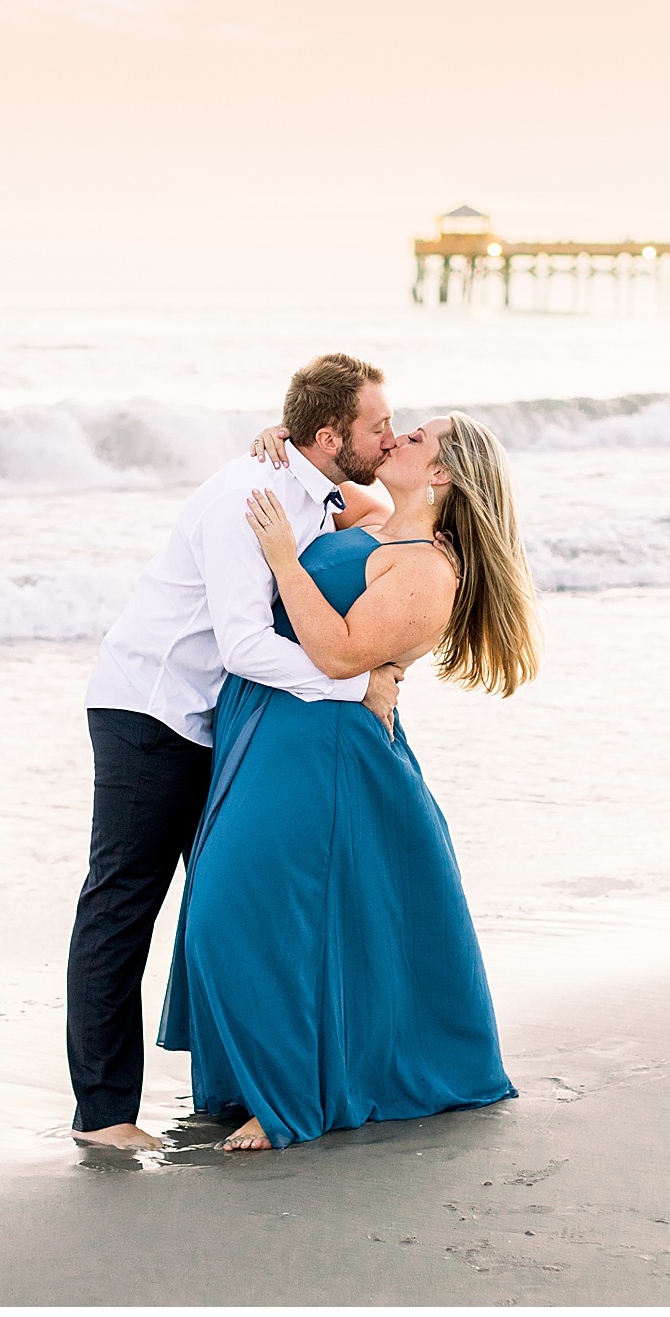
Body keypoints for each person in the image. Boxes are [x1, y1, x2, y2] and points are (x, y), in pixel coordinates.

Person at [157, 409, 541, 1150]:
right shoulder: (375, 520)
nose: (396, 439)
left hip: (325, 749)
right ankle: (264, 1080)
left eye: (417, 438)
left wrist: (282, 559)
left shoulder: (430, 568)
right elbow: (318, 483)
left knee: (234, 912)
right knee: (252, 911)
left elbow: (336, 656)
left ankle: (286, 1103)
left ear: (442, 474)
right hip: (271, 730)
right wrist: (282, 440)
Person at [69, 353, 407, 1150]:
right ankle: (105, 1117)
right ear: (330, 435)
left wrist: (290, 441)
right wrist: (353, 685)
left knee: (228, 909)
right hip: (149, 711)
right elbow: (247, 643)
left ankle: (240, 1088)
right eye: (377, 424)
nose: (390, 435)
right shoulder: (249, 498)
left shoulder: (313, 487)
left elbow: (387, 498)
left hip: (215, 722)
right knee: (121, 909)